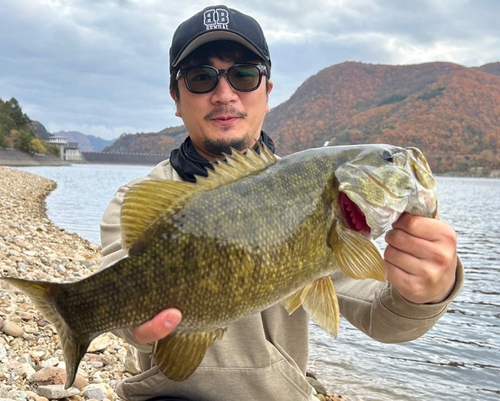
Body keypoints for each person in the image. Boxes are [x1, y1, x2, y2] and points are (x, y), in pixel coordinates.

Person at [99, 5, 464, 401]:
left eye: (243, 75)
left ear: (268, 92)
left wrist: (426, 292)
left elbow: (382, 318)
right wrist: (126, 319)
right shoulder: (140, 198)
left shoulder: (314, 198)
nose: (224, 95)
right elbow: (115, 284)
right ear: (176, 97)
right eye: (201, 78)